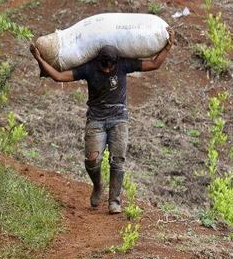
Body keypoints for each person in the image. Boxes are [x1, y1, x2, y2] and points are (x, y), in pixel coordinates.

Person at [29, 28, 174, 214]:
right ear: (98, 61)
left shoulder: (124, 65)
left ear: (115, 63)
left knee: (118, 160)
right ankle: (98, 185)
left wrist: (168, 48)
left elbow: (154, 64)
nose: (106, 70)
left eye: (109, 67)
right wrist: (39, 59)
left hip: (119, 119)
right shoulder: (88, 68)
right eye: (103, 66)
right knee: (92, 160)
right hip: (96, 119)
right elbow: (58, 77)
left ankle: (114, 201)